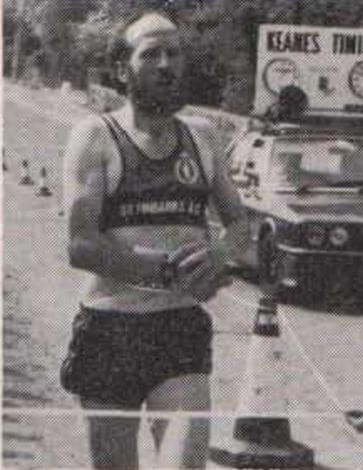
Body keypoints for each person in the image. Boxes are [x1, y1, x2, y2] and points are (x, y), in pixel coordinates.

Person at [61, 10, 249, 469]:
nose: (166, 64)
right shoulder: (96, 136)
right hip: (111, 329)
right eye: (151, 55)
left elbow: (240, 224)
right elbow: (80, 245)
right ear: (124, 69)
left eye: (174, 53)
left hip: (178, 328)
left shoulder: (203, 138)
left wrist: (220, 255)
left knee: (184, 465)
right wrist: (169, 270)